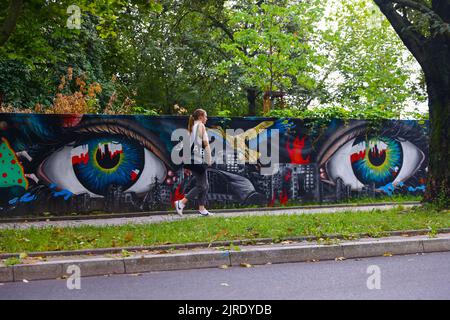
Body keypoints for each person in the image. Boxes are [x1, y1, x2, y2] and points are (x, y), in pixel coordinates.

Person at [174, 108, 213, 216]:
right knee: (202, 186)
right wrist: (209, 157)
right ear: (200, 116)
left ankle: (202, 209)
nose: (206, 118)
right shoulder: (200, 125)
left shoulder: (193, 127)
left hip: (192, 159)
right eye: (205, 116)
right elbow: (205, 144)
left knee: (205, 184)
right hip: (197, 159)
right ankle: (181, 203)